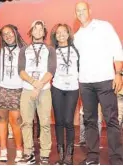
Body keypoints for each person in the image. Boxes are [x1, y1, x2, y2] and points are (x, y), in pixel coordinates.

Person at [74, 2, 123, 164]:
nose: (80, 13)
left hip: (105, 80)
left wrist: (118, 73)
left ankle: (116, 158)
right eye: (77, 11)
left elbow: (117, 49)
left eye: (83, 9)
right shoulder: (77, 36)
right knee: (90, 121)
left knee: (111, 119)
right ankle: (93, 156)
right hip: (85, 83)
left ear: (89, 11)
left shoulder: (104, 26)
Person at [17, 20, 56, 165]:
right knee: (26, 122)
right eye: (35, 29)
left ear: (44, 32)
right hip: (27, 90)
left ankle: (45, 155)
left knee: (45, 123)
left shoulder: (50, 50)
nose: (38, 31)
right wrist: (33, 83)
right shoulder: (24, 50)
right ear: (31, 31)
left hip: (44, 91)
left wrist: (38, 87)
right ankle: (29, 153)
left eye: (41, 29)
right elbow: (20, 70)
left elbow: (51, 70)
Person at [0, 24, 26, 163]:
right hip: (0, 88)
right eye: (4, 34)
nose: (7, 35)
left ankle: (19, 149)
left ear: (15, 33)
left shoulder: (24, 50)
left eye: (10, 32)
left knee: (16, 121)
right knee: (1, 120)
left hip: (17, 89)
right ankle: (3, 150)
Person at [50, 23, 79, 164]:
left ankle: (70, 154)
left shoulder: (76, 50)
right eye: (58, 33)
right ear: (55, 36)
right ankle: (60, 154)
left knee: (68, 121)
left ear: (68, 34)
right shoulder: (52, 51)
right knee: (59, 121)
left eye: (63, 32)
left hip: (73, 88)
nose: (61, 34)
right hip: (57, 88)